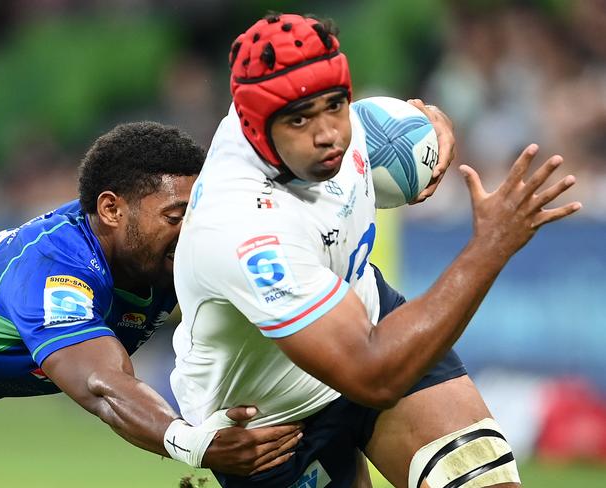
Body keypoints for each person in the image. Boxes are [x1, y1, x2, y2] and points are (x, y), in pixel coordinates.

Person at [171, 13, 582, 488]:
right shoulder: (242, 224)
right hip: (270, 423)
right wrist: (490, 246)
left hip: (367, 323)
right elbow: (371, 376)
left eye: (336, 104)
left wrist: (425, 127)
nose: (328, 134)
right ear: (256, 127)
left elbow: (392, 127)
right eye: (300, 119)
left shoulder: (350, 131)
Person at [0, 121, 303, 476]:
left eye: (199, 212)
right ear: (111, 210)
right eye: (175, 216)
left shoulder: (164, 252)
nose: (192, 230)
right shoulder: (54, 269)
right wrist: (195, 444)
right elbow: (102, 384)